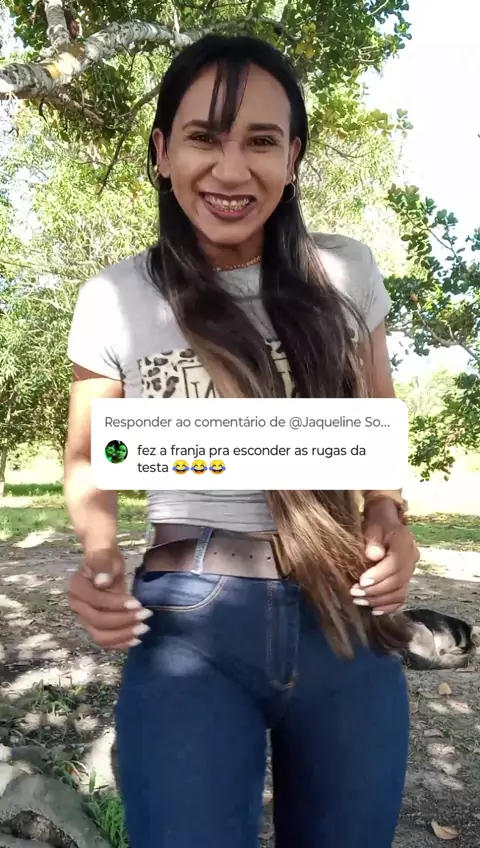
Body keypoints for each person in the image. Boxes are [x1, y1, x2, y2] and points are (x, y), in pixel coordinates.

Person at [65, 34, 419, 848]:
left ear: (293, 159)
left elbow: (378, 438)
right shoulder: (115, 298)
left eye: (261, 141)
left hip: (344, 617)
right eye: (204, 138)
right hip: (189, 624)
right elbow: (90, 460)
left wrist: (390, 519)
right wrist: (99, 556)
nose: (231, 170)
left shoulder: (346, 274)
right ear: (163, 152)